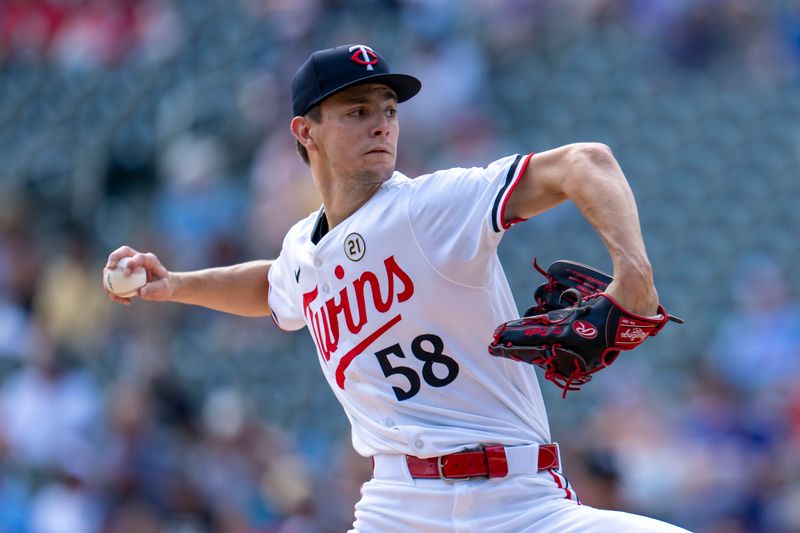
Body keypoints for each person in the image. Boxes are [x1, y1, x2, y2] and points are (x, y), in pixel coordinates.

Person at [105, 44, 689, 532]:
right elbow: (271, 287)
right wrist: (176, 283)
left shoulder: (429, 207)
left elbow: (587, 161)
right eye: (356, 111)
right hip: (399, 508)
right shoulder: (303, 249)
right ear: (304, 131)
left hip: (521, 505)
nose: (381, 121)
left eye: (388, 108)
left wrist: (634, 275)